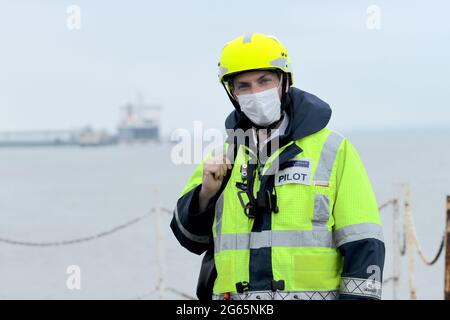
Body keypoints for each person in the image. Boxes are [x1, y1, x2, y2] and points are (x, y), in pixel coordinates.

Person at [170, 33, 385, 300]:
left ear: (285, 81)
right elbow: (189, 239)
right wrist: (206, 195)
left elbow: (364, 243)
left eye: (264, 81)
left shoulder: (334, 149)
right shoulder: (222, 154)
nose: (256, 93)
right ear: (232, 93)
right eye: (244, 86)